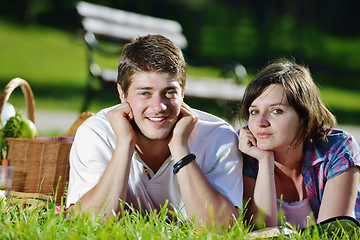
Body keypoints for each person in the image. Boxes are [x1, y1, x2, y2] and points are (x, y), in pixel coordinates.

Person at [66, 34, 243, 227]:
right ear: (122, 94)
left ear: (182, 92)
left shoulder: (219, 138)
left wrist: (180, 147)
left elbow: (221, 229)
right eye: (144, 93)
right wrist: (124, 145)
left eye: (169, 93)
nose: (158, 106)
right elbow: (87, 224)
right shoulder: (96, 133)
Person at [238, 58, 360, 229]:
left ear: (304, 117)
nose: (260, 122)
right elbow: (259, 232)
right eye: (254, 111)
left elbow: (330, 234)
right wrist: (264, 161)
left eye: (276, 111)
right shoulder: (244, 150)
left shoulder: (336, 149)